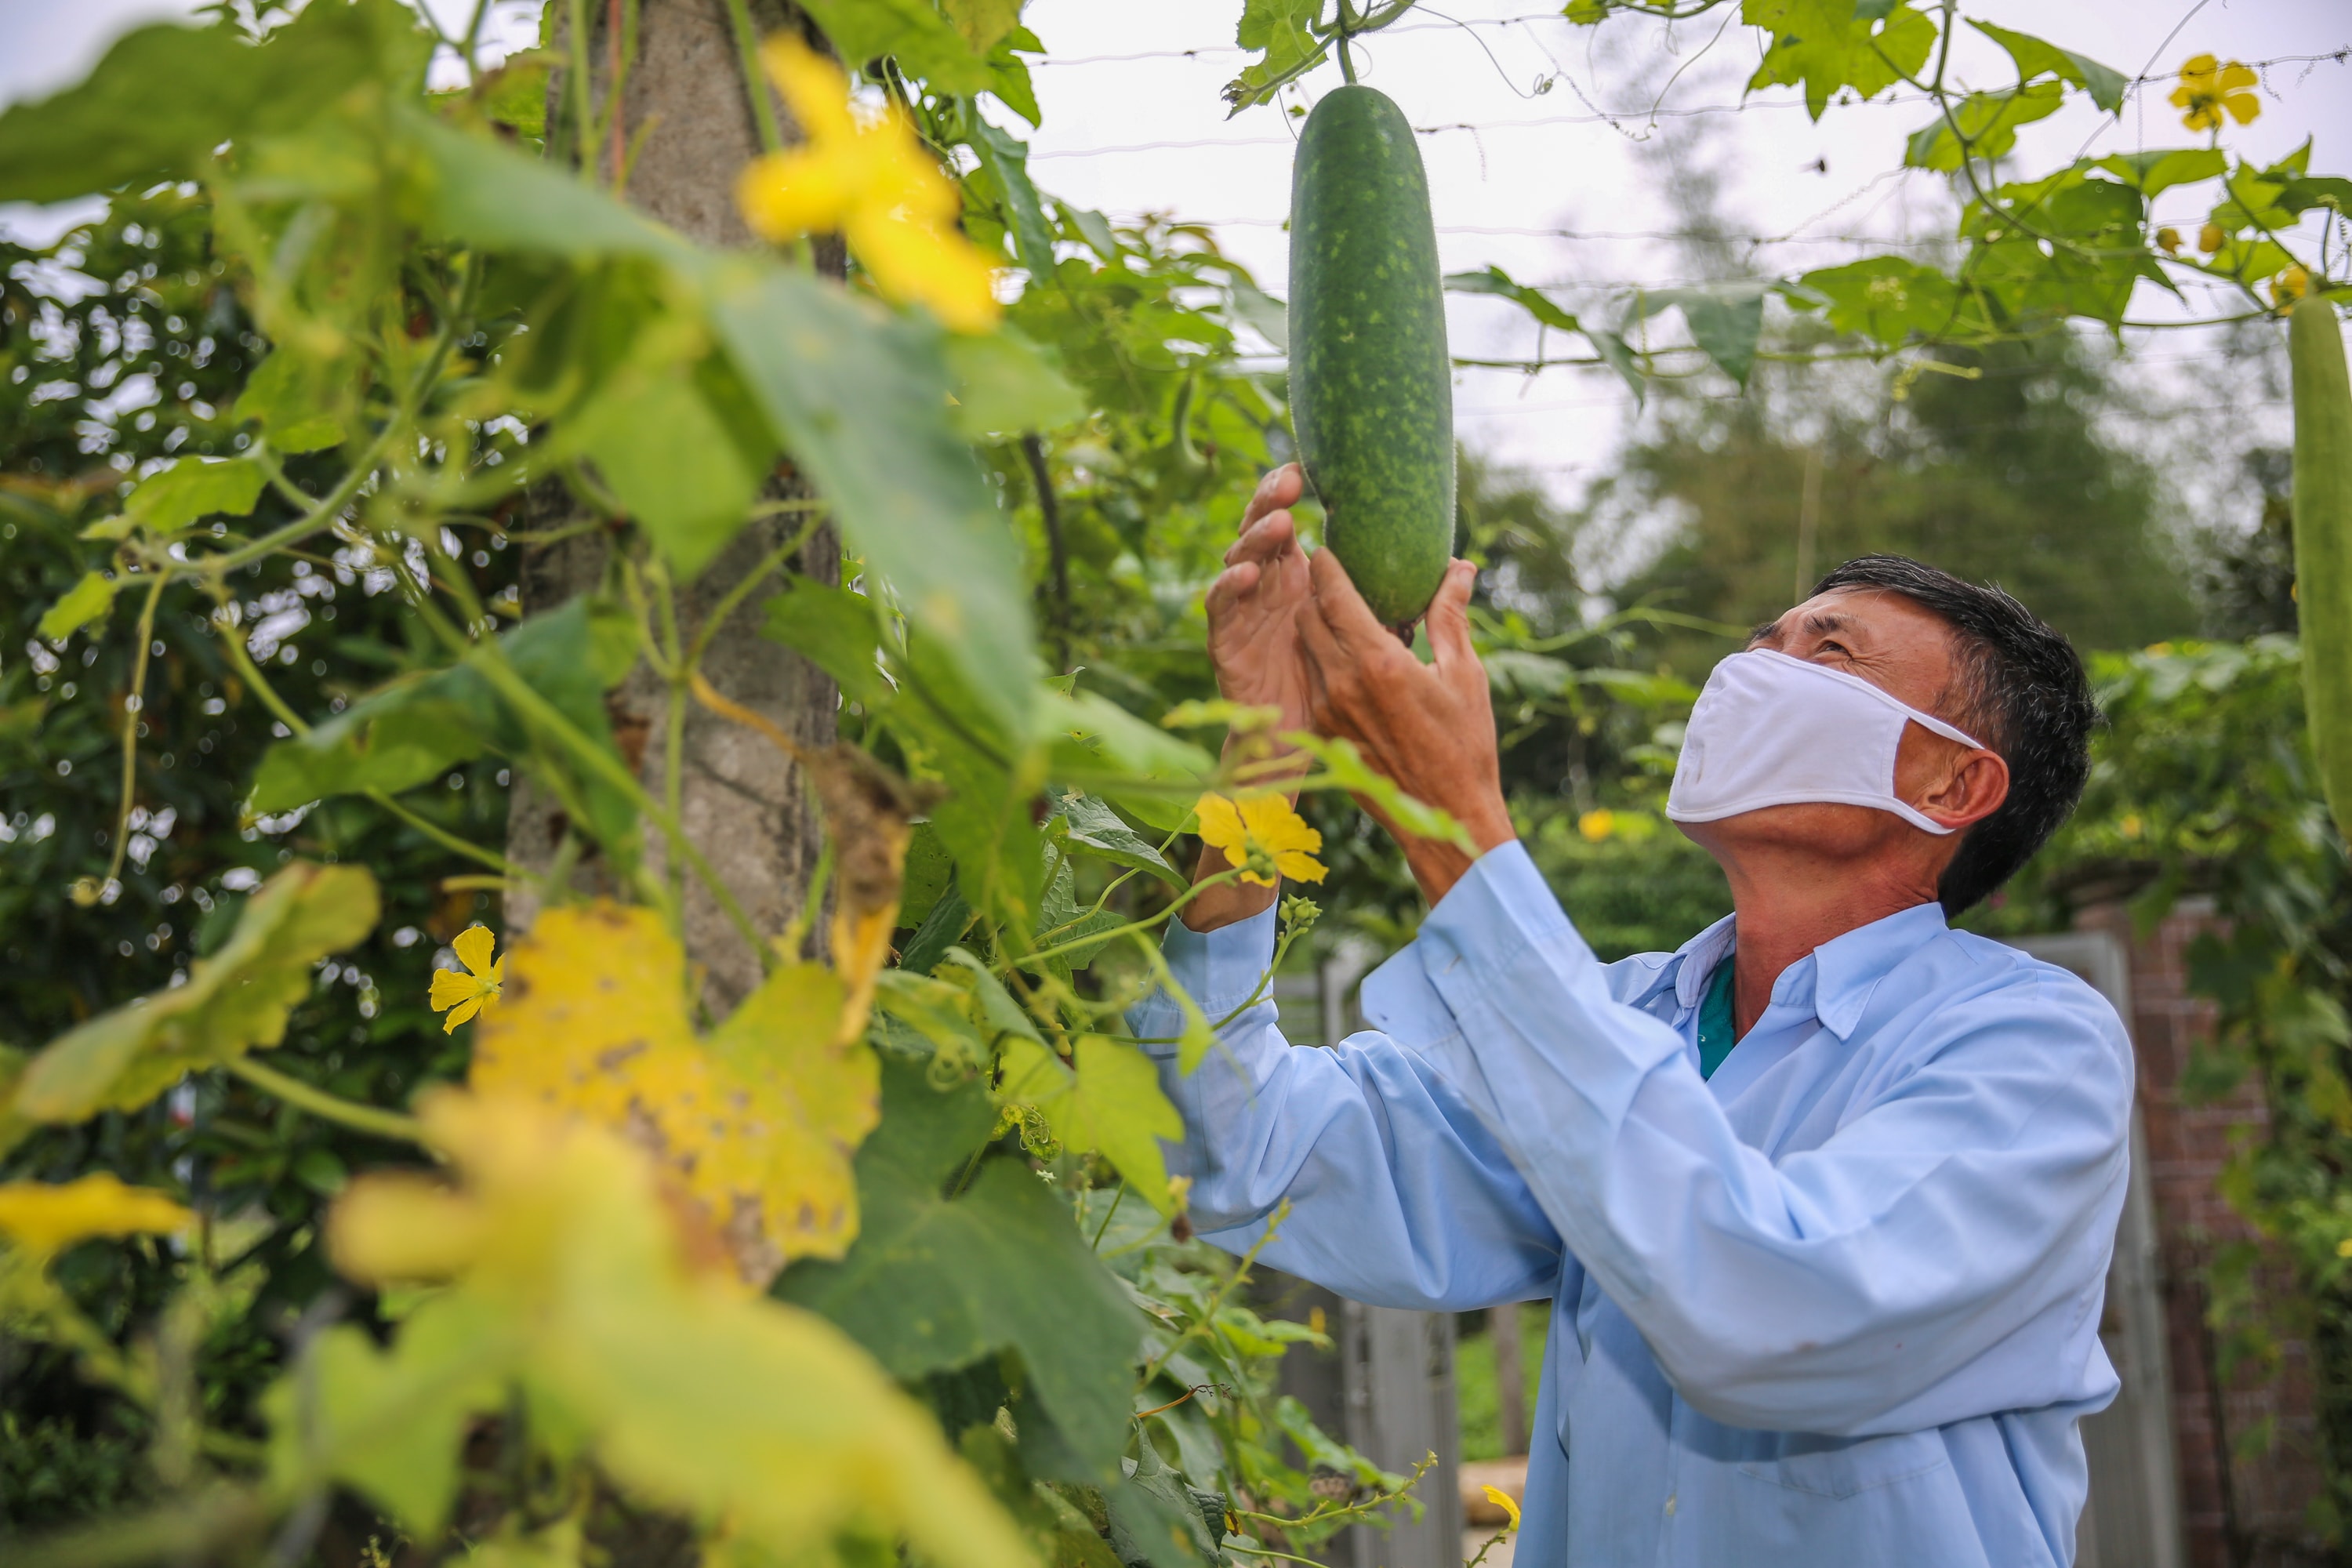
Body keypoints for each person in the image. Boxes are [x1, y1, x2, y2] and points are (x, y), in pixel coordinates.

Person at [1130, 464, 2125, 1567]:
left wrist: (1457, 826)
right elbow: (1237, 1151)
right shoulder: (1623, 1017)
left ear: (1950, 788)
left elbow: (1770, 1311)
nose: (1755, 668)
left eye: (1829, 651)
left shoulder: (2034, 1050)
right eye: (1763, 638)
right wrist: (1262, 762)